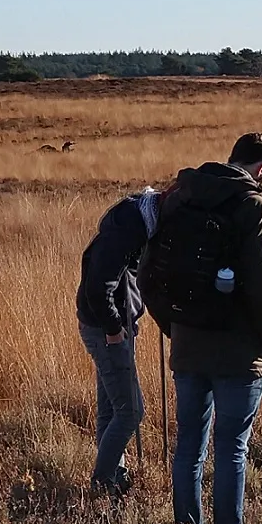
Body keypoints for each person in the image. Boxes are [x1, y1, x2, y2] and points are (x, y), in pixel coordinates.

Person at [145, 132, 262, 524]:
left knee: (189, 445)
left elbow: (148, 272)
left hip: (187, 343)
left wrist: (173, 326)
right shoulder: (254, 207)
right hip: (239, 351)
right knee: (232, 448)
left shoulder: (181, 196)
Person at [74, 179, 170, 495]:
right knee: (130, 412)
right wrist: (114, 329)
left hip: (114, 325)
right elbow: (98, 287)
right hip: (107, 331)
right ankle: (102, 485)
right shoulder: (127, 229)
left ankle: (115, 478)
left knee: (112, 410)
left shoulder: (140, 221)